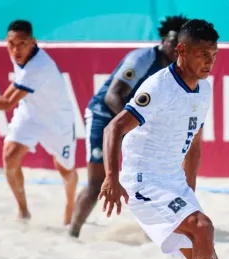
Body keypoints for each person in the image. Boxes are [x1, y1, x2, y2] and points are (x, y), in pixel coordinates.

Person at [98, 19, 229, 259]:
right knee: (203, 229)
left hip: (173, 182)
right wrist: (111, 177)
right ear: (181, 51)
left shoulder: (205, 88)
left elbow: (194, 142)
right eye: (202, 54)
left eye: (214, 55)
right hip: (143, 180)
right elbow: (114, 128)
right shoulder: (158, 86)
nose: (209, 61)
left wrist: (189, 190)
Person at [69, 14, 189, 238]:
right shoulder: (142, 58)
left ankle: (158, 232)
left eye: (181, 44)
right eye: (173, 42)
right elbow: (113, 97)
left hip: (133, 122)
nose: (176, 48)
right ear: (163, 40)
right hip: (104, 115)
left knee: (152, 179)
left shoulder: (178, 71)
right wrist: (141, 128)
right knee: (97, 183)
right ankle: (72, 233)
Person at [0, 20, 78, 224]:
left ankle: (70, 207)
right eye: (11, 44)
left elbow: (6, 103)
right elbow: (10, 93)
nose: (16, 49)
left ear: (33, 42)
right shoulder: (20, 55)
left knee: (65, 169)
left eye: (22, 44)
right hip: (30, 113)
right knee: (10, 156)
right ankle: (23, 211)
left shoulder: (39, 67)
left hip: (57, 121)